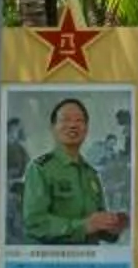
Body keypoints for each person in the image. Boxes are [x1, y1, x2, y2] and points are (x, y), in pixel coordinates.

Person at [21, 97, 127, 244]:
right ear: (53, 128)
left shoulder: (91, 173)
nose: (72, 125)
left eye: (79, 121)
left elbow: (97, 225)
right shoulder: (40, 169)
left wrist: (112, 226)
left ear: (86, 128)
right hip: (54, 262)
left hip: (90, 262)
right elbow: (35, 222)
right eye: (65, 120)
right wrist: (84, 226)